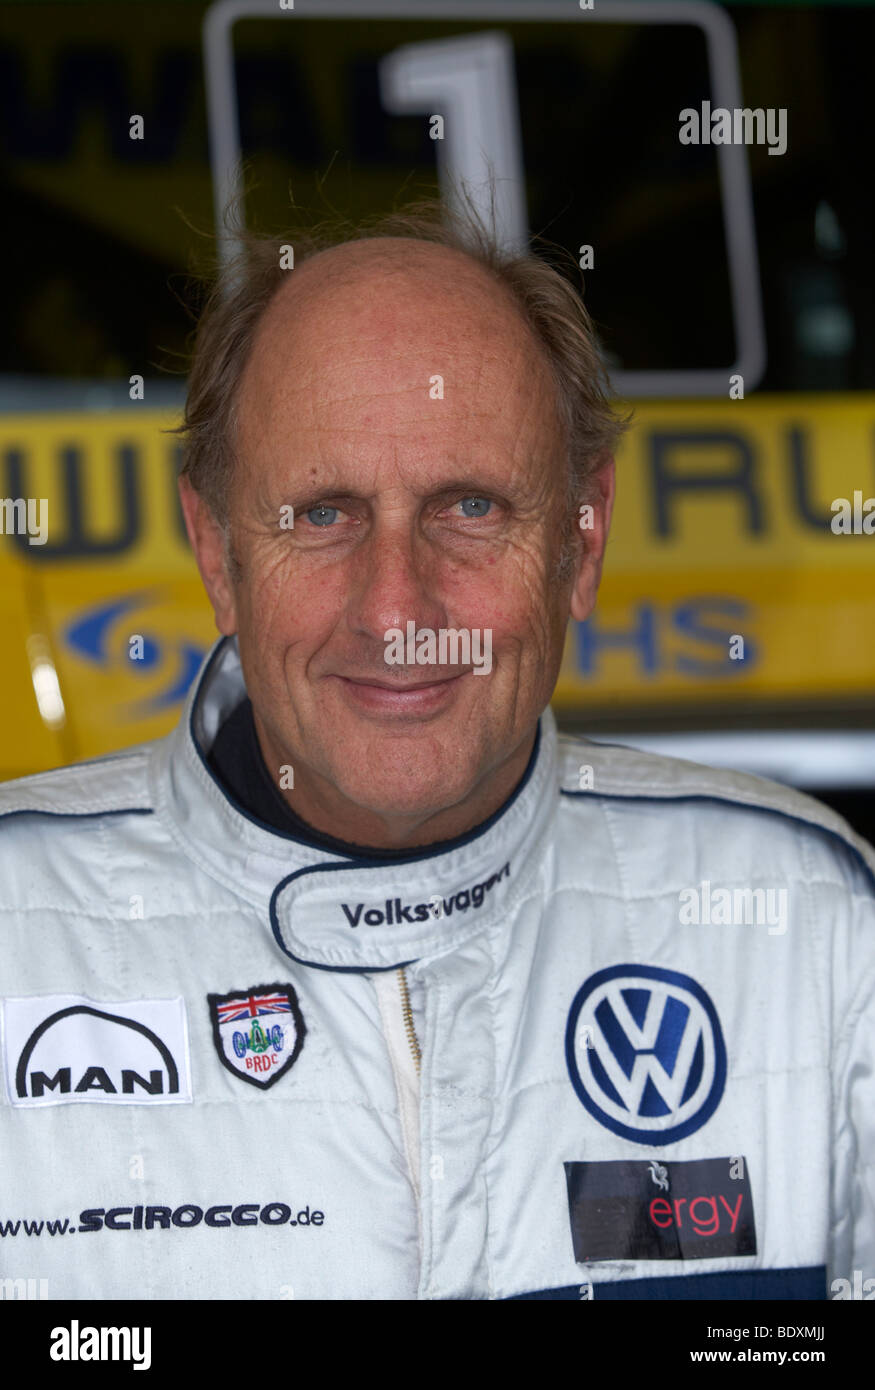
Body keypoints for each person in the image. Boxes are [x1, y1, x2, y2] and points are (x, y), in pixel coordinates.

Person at [0, 198, 872, 1302]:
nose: (397, 608)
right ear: (217, 549)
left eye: (468, 505)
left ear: (579, 541)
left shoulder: (818, 925)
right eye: (322, 514)